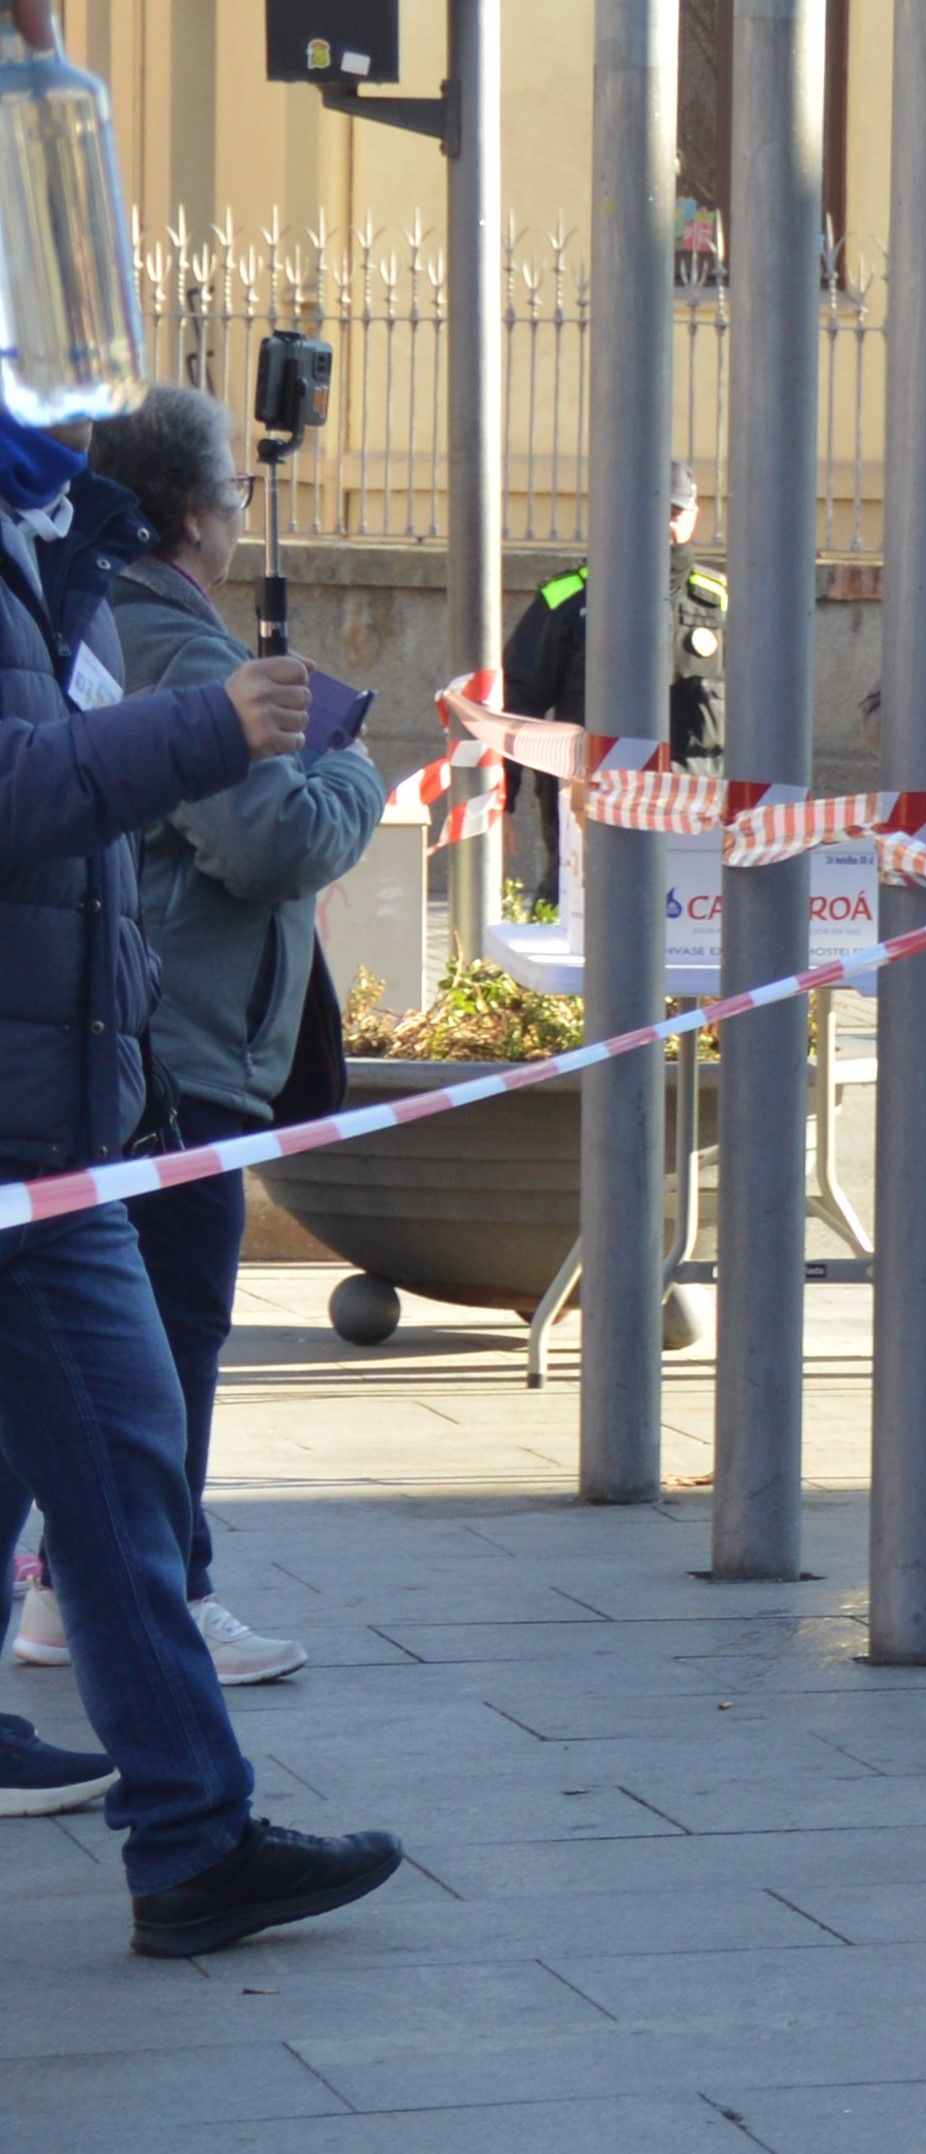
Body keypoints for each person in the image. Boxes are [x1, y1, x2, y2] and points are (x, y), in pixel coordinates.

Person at [0, 407, 402, 1955]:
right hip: (34, 1132)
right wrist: (219, 726)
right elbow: (27, 792)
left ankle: (191, 1833)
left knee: (117, 1474)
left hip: (61, 1117)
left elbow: (94, 859)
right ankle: (190, 1835)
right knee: (121, 1469)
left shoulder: (61, 567)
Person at [499, 461, 727, 912]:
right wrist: (502, 799)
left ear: (694, 516)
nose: (664, 523)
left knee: (693, 946)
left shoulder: (719, 601)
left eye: (675, 511)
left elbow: (763, 713)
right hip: (592, 811)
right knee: (576, 925)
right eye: (653, 510)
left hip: (695, 811)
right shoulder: (568, 600)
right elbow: (514, 702)